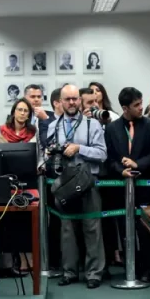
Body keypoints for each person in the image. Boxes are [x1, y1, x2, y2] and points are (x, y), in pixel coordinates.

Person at [48, 85, 107, 288]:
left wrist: (79, 149)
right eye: (68, 99)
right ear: (60, 102)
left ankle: (94, 274)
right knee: (67, 230)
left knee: (92, 228)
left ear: (80, 101)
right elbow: (47, 151)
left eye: (75, 99)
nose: (72, 102)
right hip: (64, 183)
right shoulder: (53, 126)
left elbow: (102, 154)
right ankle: (69, 272)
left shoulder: (92, 124)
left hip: (88, 182)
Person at [104, 87, 150, 279]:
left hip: (145, 187)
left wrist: (138, 164)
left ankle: (146, 270)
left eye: (141, 103)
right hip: (121, 189)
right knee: (124, 230)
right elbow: (108, 158)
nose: (141, 108)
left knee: (145, 231)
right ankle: (130, 269)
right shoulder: (112, 128)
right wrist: (120, 170)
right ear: (125, 108)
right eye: (136, 105)